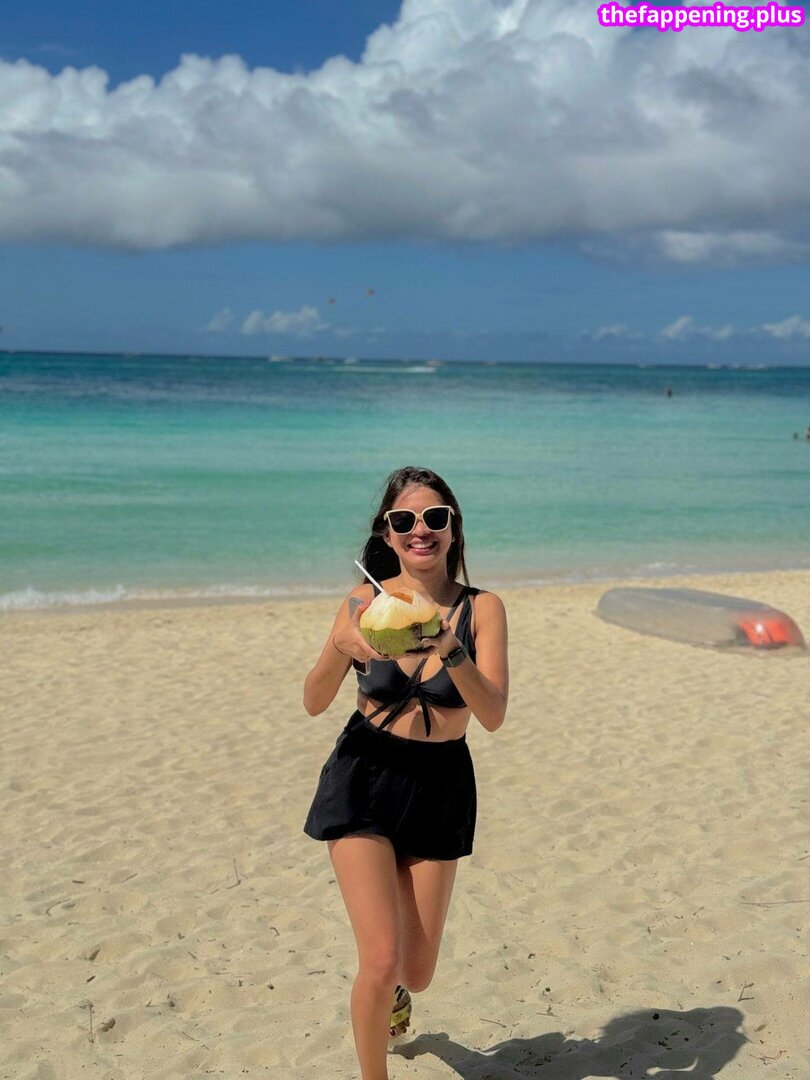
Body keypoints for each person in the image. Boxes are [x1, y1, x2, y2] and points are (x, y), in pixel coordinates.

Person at [302, 465, 509, 1080]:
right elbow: (313, 701)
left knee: (415, 971)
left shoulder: (482, 609)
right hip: (364, 773)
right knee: (380, 958)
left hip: (441, 784)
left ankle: (397, 992)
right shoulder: (363, 603)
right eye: (405, 520)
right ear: (387, 534)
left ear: (453, 529)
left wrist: (451, 649)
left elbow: (492, 714)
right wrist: (340, 646)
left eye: (434, 518)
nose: (421, 530)